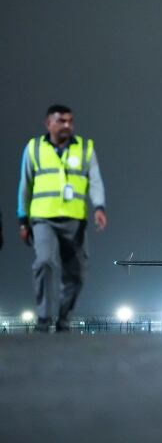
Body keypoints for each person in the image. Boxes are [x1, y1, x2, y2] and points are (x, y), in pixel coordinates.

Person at [17, 105, 107, 333]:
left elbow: (94, 180)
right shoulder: (34, 148)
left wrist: (99, 207)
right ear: (49, 123)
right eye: (61, 121)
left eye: (70, 121)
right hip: (43, 218)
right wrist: (22, 219)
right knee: (44, 261)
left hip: (74, 219)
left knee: (77, 271)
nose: (67, 125)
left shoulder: (85, 148)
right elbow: (25, 186)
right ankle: (44, 318)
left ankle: (64, 319)